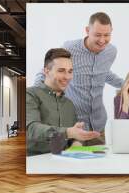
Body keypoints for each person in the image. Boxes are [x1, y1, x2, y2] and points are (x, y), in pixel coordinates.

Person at [34, 12, 123, 146]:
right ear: (87, 30)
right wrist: (36, 97)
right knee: (72, 164)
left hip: (99, 125)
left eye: (107, 35)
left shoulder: (111, 51)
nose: (102, 40)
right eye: (98, 35)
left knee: (100, 165)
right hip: (74, 126)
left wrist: (128, 84)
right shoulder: (70, 49)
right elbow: (44, 72)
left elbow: (104, 73)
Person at [27, 48, 100, 156]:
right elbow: (31, 129)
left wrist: (77, 143)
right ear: (46, 71)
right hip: (36, 162)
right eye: (61, 71)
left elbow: (75, 134)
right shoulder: (30, 94)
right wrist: (68, 132)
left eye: (70, 71)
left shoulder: (69, 104)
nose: (67, 77)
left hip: (65, 162)